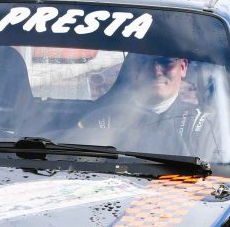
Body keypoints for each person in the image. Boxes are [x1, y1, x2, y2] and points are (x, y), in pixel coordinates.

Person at [77, 53, 216, 157]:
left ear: (183, 66)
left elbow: (212, 179)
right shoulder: (102, 120)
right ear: (135, 70)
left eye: (166, 62)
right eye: (145, 62)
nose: (156, 71)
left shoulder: (203, 125)